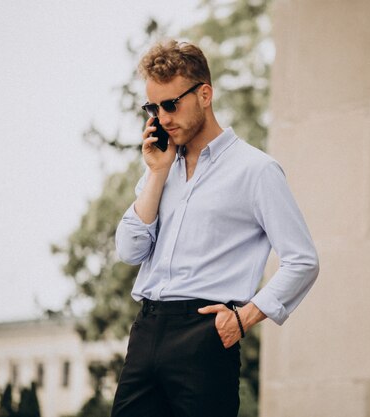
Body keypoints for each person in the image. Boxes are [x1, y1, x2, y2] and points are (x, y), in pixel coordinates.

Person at [112, 39, 319, 417]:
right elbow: (129, 251)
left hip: (204, 337)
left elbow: (302, 260)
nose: (162, 118)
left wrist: (245, 317)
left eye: (171, 104)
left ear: (204, 94)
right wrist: (156, 173)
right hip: (146, 331)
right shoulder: (160, 167)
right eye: (153, 107)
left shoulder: (255, 171)